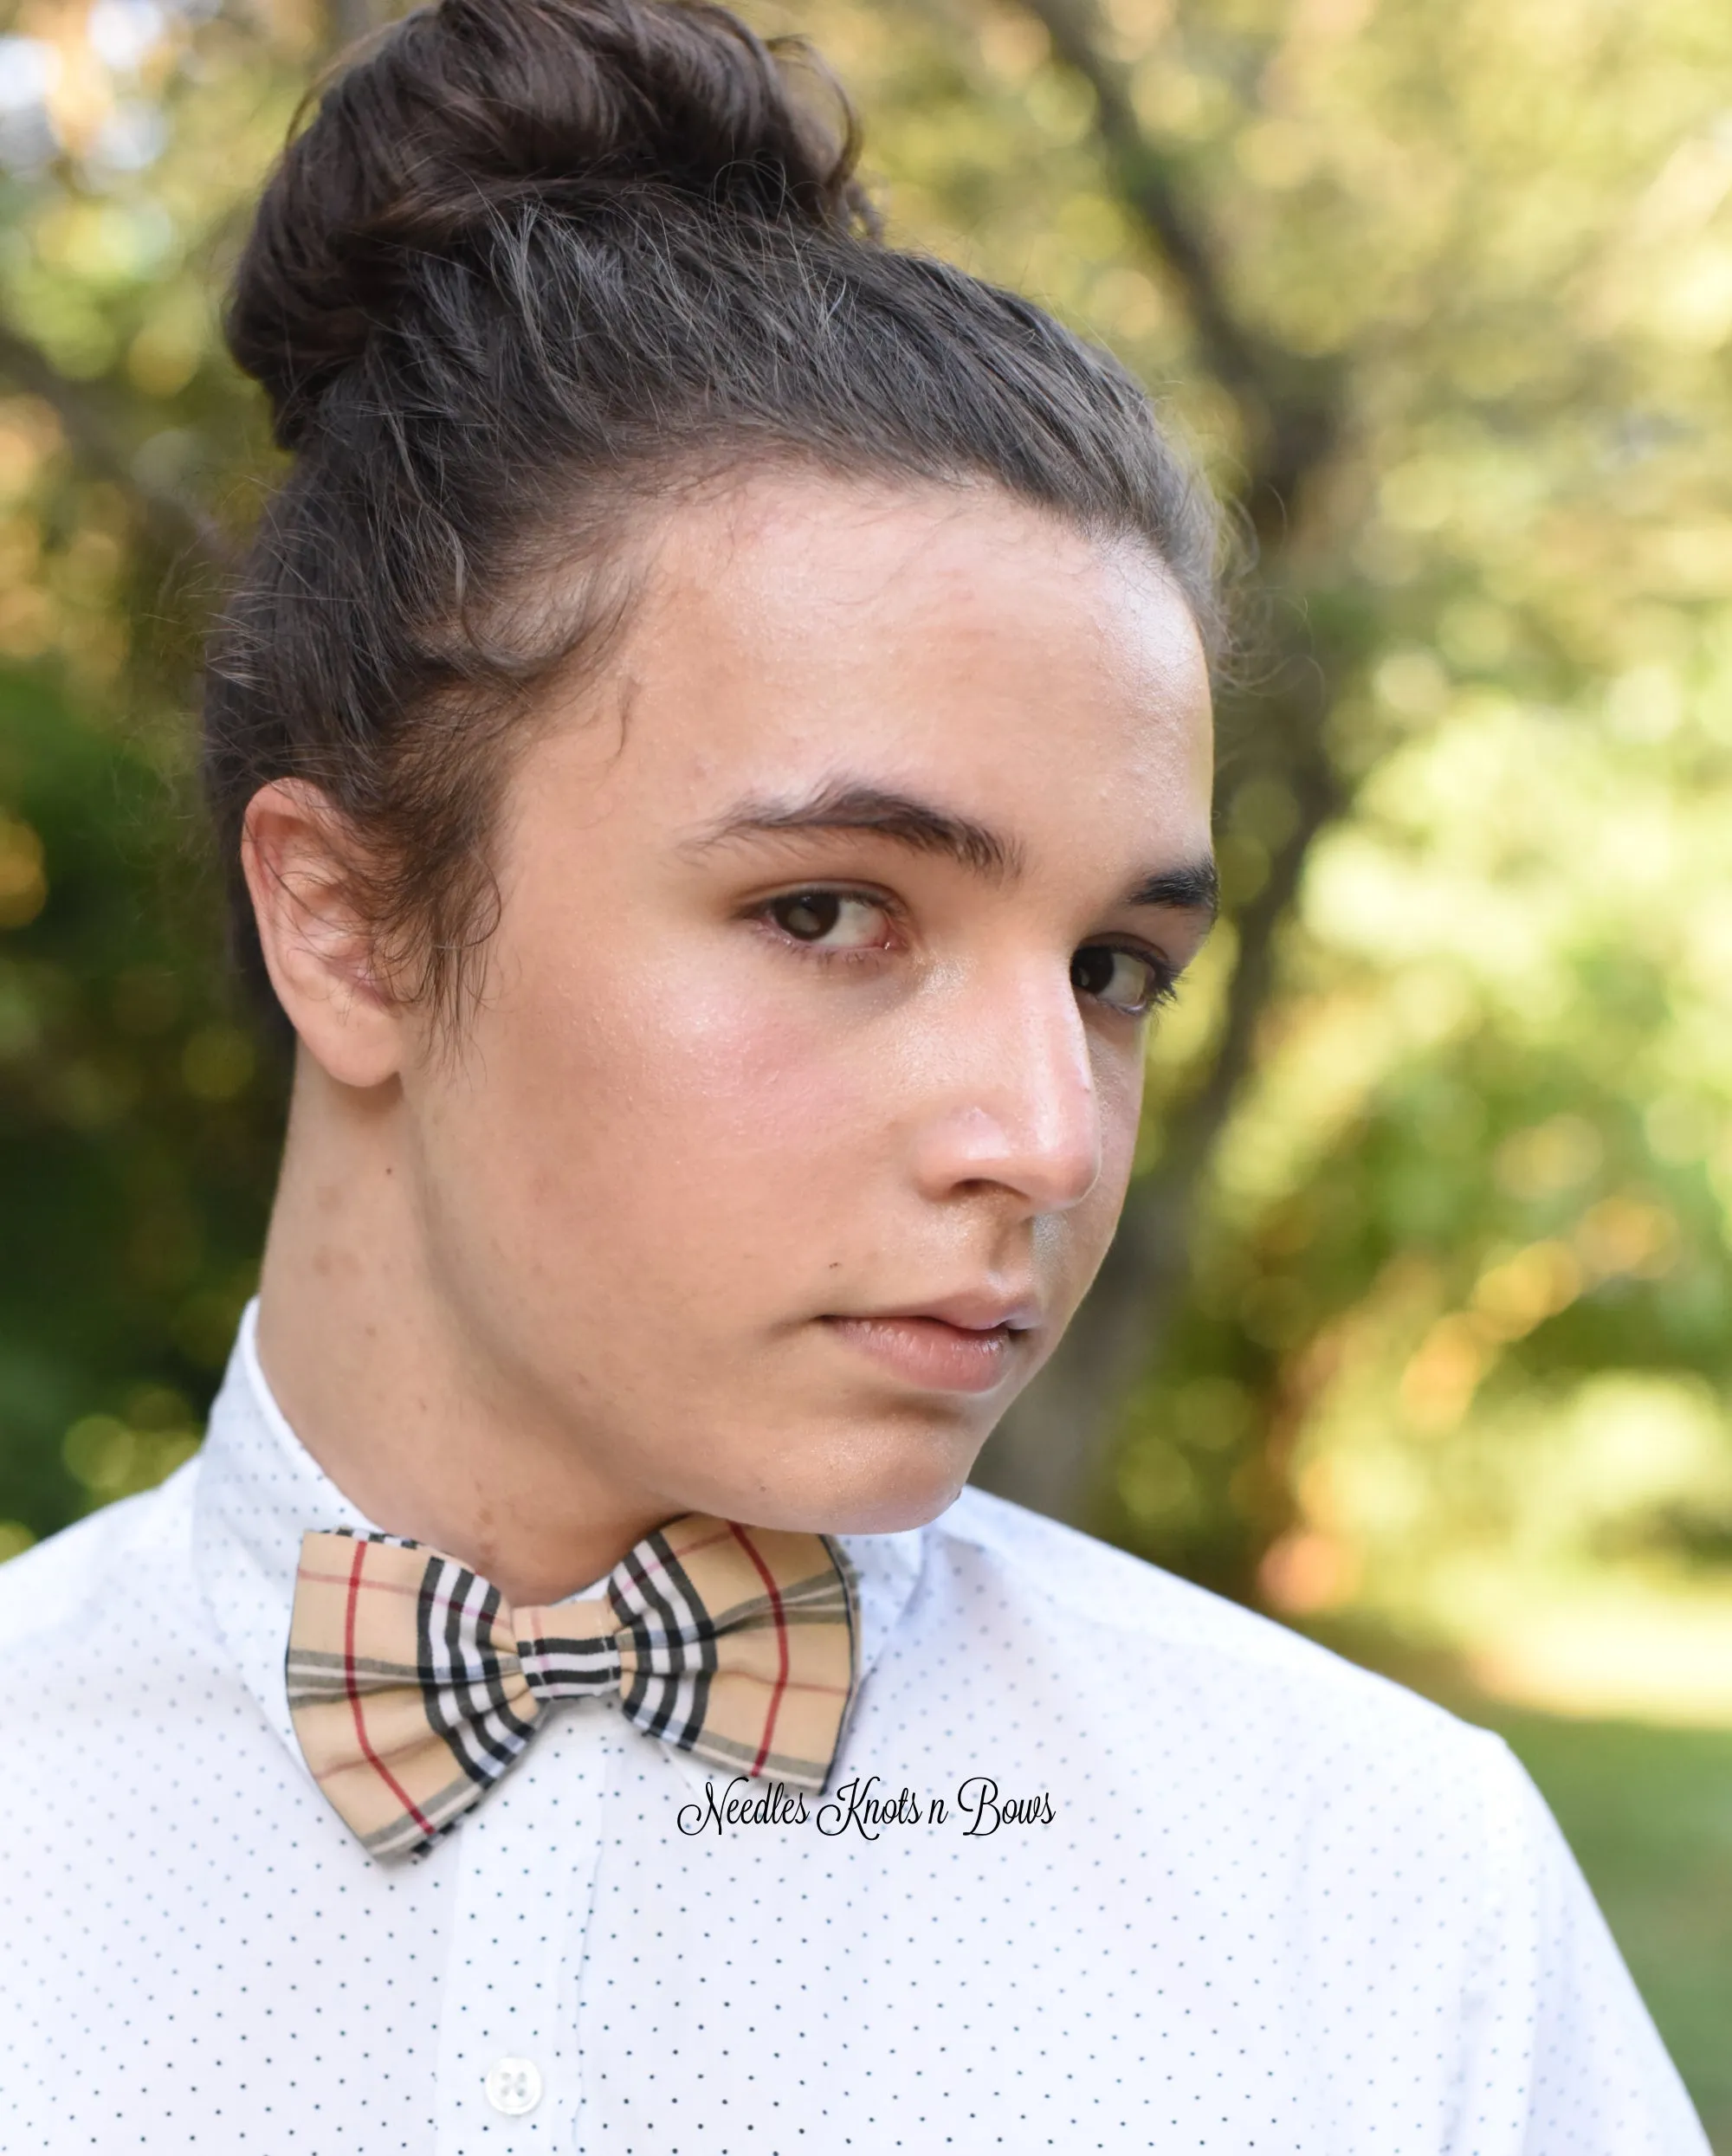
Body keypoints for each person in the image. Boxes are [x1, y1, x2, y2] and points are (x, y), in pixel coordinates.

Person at [0, 0, 1706, 2147]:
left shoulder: (1366, 1888)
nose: (1045, 1133)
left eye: (1112, 966)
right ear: (349, 923)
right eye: (830, 912)